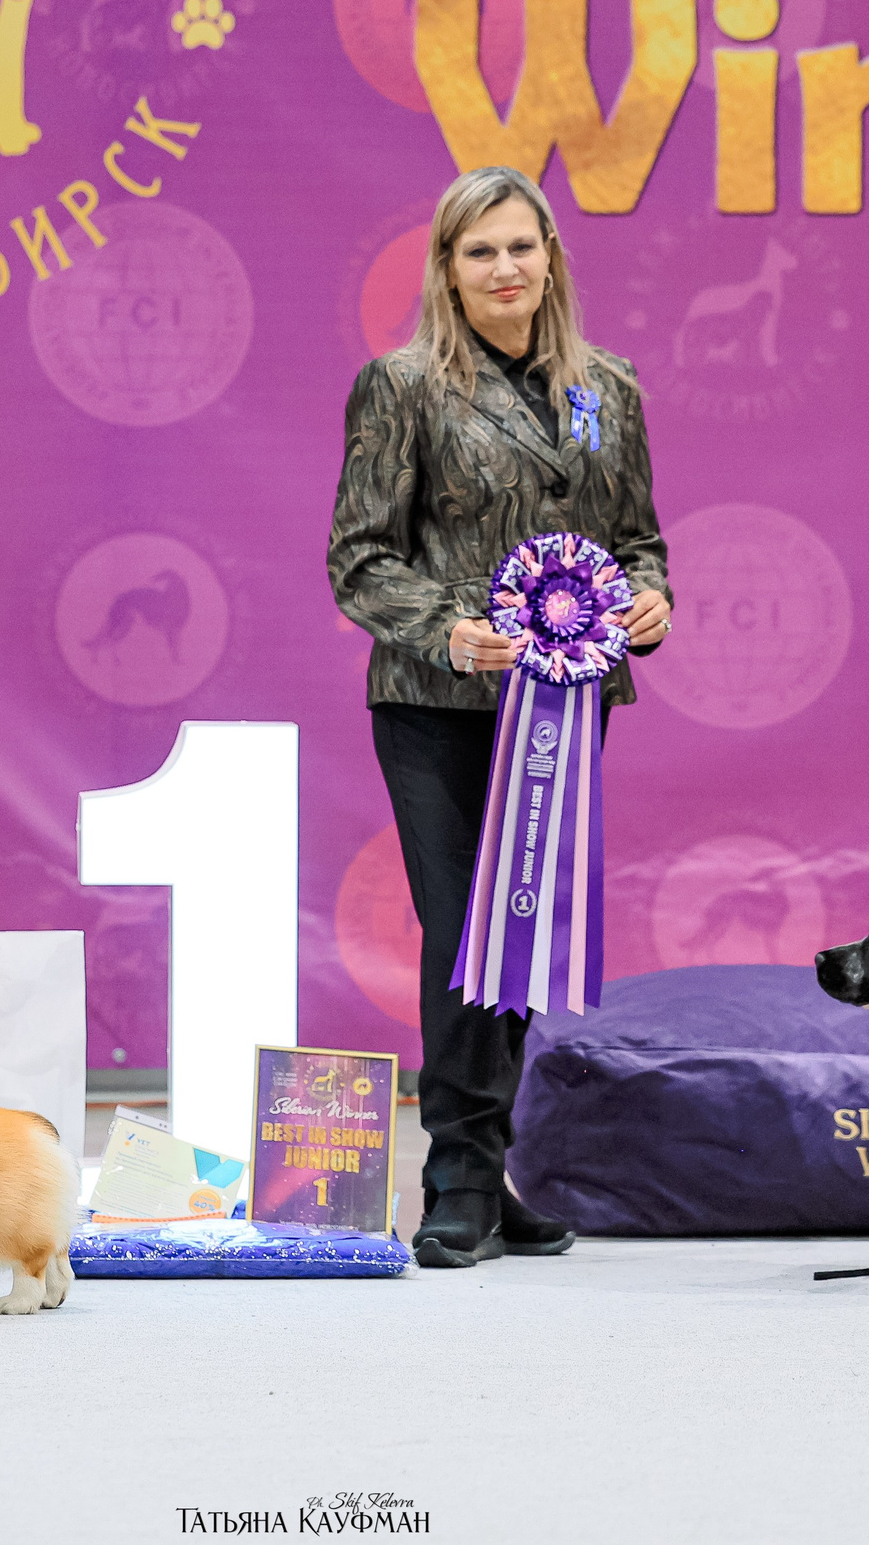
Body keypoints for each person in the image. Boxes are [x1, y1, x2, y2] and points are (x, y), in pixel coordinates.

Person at [327, 165, 673, 1268]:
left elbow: (636, 540)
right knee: (464, 932)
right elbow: (357, 557)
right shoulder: (402, 386)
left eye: (521, 246)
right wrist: (443, 626)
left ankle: (494, 1168)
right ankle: (455, 1177)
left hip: (565, 706)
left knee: (524, 934)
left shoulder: (606, 387)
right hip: (438, 699)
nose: (504, 268)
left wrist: (652, 597)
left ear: (551, 258)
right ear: (447, 269)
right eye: (479, 251)